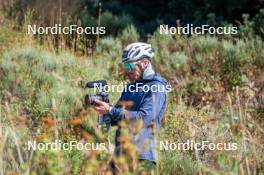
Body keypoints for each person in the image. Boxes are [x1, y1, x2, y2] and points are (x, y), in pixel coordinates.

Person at [92, 42, 168, 171]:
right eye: (125, 65)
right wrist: (104, 107)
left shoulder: (157, 87)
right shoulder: (131, 87)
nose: (127, 69)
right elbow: (116, 119)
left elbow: (143, 119)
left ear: (144, 63)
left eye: (130, 65)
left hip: (142, 157)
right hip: (120, 156)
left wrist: (110, 110)